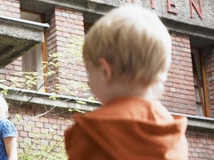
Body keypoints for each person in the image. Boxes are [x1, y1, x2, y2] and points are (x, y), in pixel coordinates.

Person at [64, 5, 189, 160]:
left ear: (105, 71)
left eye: (89, 73)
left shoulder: (90, 132)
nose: (88, 82)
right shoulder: (174, 135)